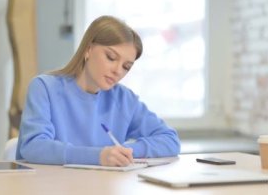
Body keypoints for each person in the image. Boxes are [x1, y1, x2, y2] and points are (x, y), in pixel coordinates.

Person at [16, 15, 180, 166]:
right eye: (111, 57)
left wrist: (124, 152)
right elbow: (33, 146)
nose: (118, 71)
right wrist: (98, 156)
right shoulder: (44, 88)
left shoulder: (124, 99)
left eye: (126, 67)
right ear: (88, 49)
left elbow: (170, 140)